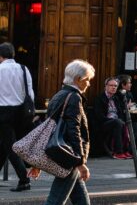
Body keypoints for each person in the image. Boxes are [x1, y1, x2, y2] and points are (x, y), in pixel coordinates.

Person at [29, 59, 95, 205]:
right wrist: (80, 162)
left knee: (81, 201)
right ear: (78, 79)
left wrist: (38, 163)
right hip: (69, 155)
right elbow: (74, 131)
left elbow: (48, 130)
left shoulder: (59, 95)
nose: (89, 84)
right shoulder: (74, 97)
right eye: (88, 80)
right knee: (55, 200)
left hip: (64, 154)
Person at [0, 42, 34, 192]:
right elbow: (29, 91)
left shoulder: (0, 69)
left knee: (10, 145)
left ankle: (24, 179)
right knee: (5, 144)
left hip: (3, 111)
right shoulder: (23, 68)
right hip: (21, 112)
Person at [93, 78, 130, 159]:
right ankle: (118, 152)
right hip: (103, 123)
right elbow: (99, 116)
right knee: (118, 123)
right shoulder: (99, 98)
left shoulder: (116, 98)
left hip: (116, 122)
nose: (113, 87)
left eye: (115, 86)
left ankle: (127, 151)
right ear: (105, 87)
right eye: (111, 85)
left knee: (128, 123)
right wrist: (114, 121)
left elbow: (120, 113)